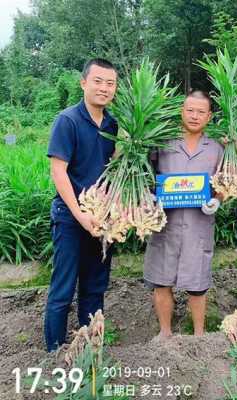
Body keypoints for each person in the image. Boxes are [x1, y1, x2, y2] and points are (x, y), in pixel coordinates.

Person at [44, 58, 118, 352]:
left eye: (110, 83)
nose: (104, 88)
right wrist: (80, 215)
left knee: (95, 287)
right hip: (70, 218)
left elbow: (114, 167)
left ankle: (89, 349)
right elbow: (58, 171)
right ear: (84, 83)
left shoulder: (113, 124)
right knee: (63, 288)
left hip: (101, 219)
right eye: (98, 81)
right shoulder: (68, 120)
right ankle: (55, 351)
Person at [144, 90, 224, 339]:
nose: (194, 116)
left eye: (201, 112)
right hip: (164, 224)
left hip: (199, 224)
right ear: (182, 111)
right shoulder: (162, 142)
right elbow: (146, 176)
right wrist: (150, 197)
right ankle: (165, 332)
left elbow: (225, 184)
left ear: (209, 116)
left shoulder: (218, 148)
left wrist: (218, 200)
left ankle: (199, 336)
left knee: (197, 284)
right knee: (161, 279)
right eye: (190, 110)